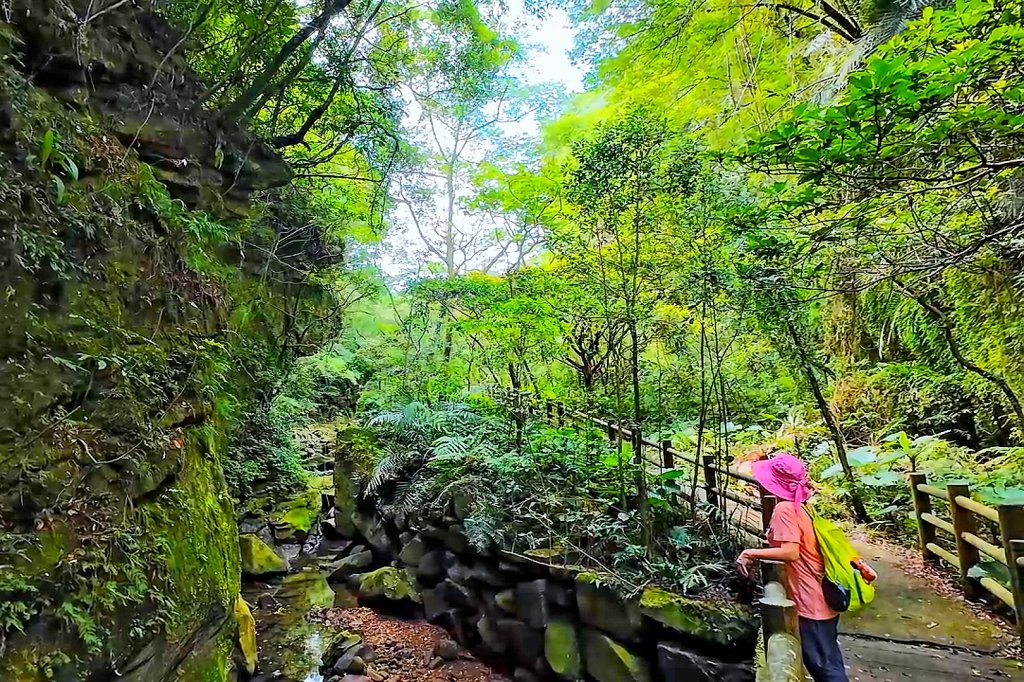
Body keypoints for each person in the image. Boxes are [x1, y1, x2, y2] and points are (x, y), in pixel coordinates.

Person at [735, 453, 848, 682]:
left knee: (825, 669)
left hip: (810, 602)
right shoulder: (801, 506)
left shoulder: (785, 509)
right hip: (820, 599)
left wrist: (750, 553)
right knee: (827, 663)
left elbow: (790, 551)